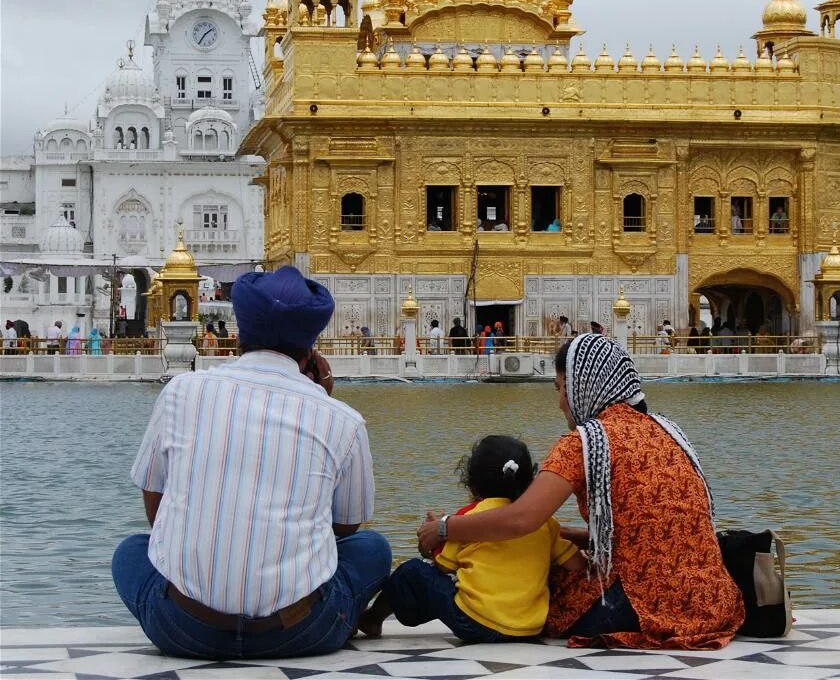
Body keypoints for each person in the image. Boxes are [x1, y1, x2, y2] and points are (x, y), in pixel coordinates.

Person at [112, 266, 389, 659]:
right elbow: (346, 525)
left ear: (240, 334)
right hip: (301, 633)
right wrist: (323, 401)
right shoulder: (341, 419)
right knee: (372, 547)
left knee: (130, 551)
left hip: (182, 629)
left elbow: (155, 510)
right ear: (312, 349)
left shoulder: (181, 392)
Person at [418, 334, 743, 649]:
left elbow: (521, 519)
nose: (560, 402)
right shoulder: (665, 429)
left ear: (584, 387)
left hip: (643, 604)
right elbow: (645, 532)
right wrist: (566, 536)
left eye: (561, 389)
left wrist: (445, 527)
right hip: (710, 600)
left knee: (528, 574)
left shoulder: (585, 443)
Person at [359, 436, 585, 642]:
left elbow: (443, 565)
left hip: (475, 623)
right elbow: (576, 564)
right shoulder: (544, 523)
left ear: (472, 483)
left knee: (412, 571)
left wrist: (433, 541)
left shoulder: (468, 520)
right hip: (530, 626)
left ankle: (373, 617)